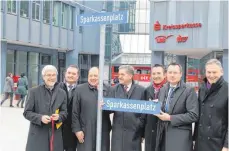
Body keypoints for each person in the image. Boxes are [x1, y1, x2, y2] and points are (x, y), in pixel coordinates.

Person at [155, 63, 199, 151]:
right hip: (162, 136)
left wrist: (170, 118)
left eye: (175, 73)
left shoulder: (189, 90)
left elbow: (193, 115)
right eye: (170, 72)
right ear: (166, 74)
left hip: (180, 139)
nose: (172, 75)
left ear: (181, 74)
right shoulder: (163, 89)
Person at [23, 65, 67, 151]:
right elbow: (27, 112)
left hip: (55, 135)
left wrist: (59, 117)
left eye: (53, 75)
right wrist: (40, 118)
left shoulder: (62, 93)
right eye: (48, 75)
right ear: (43, 77)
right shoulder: (33, 92)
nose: (51, 77)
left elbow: (64, 112)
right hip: (38, 134)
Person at [72, 67, 111, 151]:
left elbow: (112, 110)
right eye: (91, 75)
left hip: (103, 131)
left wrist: (104, 97)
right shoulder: (79, 89)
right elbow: (75, 112)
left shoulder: (108, 89)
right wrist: (77, 130)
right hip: (85, 131)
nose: (93, 78)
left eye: (95, 75)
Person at [193, 59, 228, 151]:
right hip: (200, 142)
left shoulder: (227, 90)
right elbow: (199, 116)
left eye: (214, 72)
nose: (211, 75)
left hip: (217, 143)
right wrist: (194, 139)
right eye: (209, 72)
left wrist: (227, 146)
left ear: (222, 72)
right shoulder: (202, 88)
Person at [109, 65, 146, 151]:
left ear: (130, 76)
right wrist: (103, 106)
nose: (119, 77)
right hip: (118, 134)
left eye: (122, 74)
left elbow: (144, 114)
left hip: (134, 133)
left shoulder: (141, 90)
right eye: (119, 74)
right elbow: (108, 110)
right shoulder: (114, 89)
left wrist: (139, 126)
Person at [144, 64, 166, 151]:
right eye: (153, 74)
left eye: (158, 73)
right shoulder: (147, 90)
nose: (156, 76)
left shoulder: (169, 89)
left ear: (164, 75)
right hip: (150, 132)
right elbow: (143, 114)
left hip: (164, 132)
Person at [59, 65, 79, 151]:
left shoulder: (81, 90)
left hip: (73, 131)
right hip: (58, 129)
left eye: (73, 74)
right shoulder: (57, 87)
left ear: (77, 76)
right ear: (65, 74)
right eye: (69, 73)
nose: (70, 75)